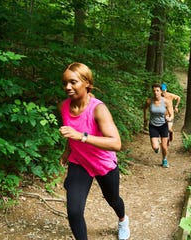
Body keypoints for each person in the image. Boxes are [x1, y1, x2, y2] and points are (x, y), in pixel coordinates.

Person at [58, 62, 130, 240]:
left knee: (112, 199)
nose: (68, 87)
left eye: (73, 82)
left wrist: (82, 136)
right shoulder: (64, 106)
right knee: (74, 211)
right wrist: (67, 151)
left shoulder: (98, 109)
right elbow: (71, 132)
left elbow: (116, 143)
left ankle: (122, 220)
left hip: (102, 163)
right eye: (65, 83)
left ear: (87, 83)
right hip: (80, 162)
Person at [143, 83, 174, 168]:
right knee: (155, 147)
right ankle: (157, 147)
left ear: (161, 91)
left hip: (163, 125)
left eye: (157, 90)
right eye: (154, 91)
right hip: (153, 125)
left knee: (164, 146)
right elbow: (144, 109)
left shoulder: (166, 101)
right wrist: (145, 119)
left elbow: (171, 114)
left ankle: (164, 159)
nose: (156, 92)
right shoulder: (149, 101)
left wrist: (169, 118)